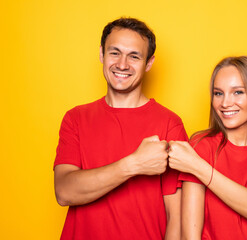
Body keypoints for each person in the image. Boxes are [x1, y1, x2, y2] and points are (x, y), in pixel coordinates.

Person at [54, 17, 187, 240]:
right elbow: (64, 192)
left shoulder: (169, 124)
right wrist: (134, 164)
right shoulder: (75, 118)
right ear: (101, 54)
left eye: (134, 56)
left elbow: (177, 216)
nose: (122, 64)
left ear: (149, 63)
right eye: (114, 52)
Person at [167, 56, 247, 239]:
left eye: (238, 92)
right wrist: (196, 162)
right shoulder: (201, 145)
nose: (225, 103)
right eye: (218, 93)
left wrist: (197, 166)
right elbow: (190, 236)